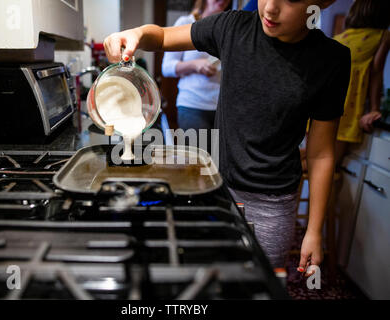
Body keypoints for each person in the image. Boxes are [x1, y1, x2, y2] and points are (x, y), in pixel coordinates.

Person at [103, 0, 351, 275]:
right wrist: (135, 34)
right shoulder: (232, 28)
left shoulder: (331, 60)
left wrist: (314, 230)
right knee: (210, 278)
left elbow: (320, 153)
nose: (270, 8)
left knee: (260, 282)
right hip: (216, 189)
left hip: (273, 205)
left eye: (290, 0)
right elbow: (161, 36)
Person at [161, 0, 232, 148]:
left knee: (218, 164)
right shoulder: (186, 23)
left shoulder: (228, 29)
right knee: (199, 163)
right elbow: (166, 67)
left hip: (223, 108)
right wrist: (195, 65)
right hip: (192, 106)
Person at [333, 0, 390, 166]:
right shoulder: (383, 36)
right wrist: (374, 109)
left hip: (318, 108)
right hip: (345, 113)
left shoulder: (339, 37)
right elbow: (376, 71)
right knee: (330, 165)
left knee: (313, 158)